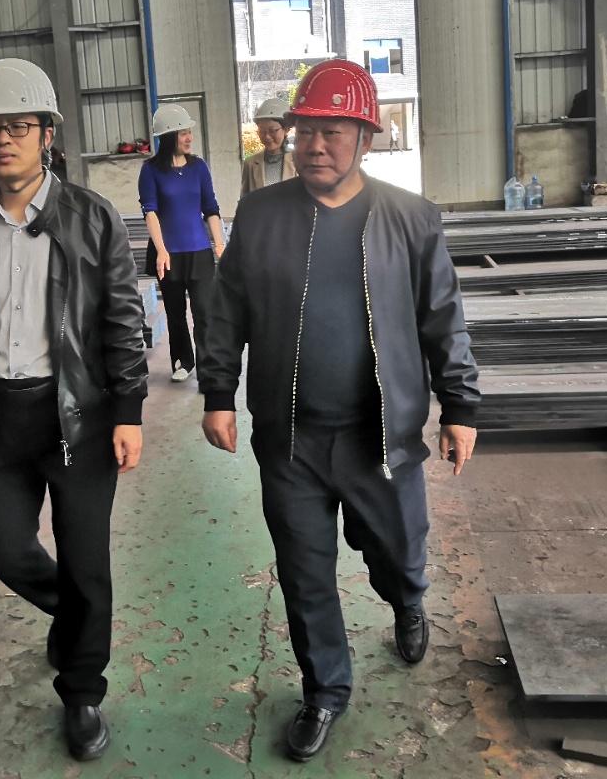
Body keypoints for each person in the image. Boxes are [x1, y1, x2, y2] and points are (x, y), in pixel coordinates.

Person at [199, 59, 480, 763]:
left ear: (366, 137)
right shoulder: (262, 215)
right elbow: (227, 310)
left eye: (332, 132)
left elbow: (442, 317)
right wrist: (217, 393)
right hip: (290, 438)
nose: (315, 146)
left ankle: (406, 600)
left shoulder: (410, 219)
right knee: (304, 573)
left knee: (398, 551)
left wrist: (459, 404)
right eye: (305, 132)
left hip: (379, 438)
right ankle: (325, 690)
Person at [0, 58, 148, 762]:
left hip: (79, 419)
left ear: (47, 134)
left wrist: (129, 410)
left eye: (18, 126)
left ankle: (83, 692)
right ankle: (77, 617)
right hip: (1, 419)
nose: (3, 140)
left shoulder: (92, 218)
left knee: (86, 560)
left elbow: (122, 320)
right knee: (2, 546)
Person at [138, 103, 226, 382]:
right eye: (183, 133)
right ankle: (182, 362)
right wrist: (161, 250)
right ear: (168, 136)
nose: (189, 138)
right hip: (168, 254)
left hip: (199, 251)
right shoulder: (151, 170)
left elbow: (211, 208)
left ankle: (208, 367)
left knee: (205, 313)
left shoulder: (199, 167)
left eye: (189, 132)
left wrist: (220, 245)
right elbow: (150, 211)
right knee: (175, 313)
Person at [240, 97, 297, 196]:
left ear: (286, 129)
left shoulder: (298, 162)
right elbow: (244, 200)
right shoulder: (250, 164)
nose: (267, 136)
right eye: (262, 131)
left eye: (272, 131)